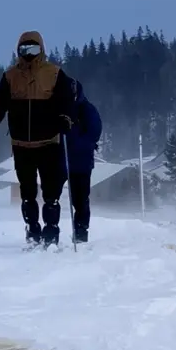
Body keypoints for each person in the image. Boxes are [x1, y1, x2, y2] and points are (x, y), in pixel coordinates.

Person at [0, 30, 76, 247]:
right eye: (24, 49)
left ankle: (51, 231)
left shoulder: (54, 73)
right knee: (27, 192)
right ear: (18, 50)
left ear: (41, 49)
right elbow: (0, 99)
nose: (29, 54)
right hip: (21, 144)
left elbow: (66, 100)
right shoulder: (10, 76)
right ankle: (32, 229)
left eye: (33, 49)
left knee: (51, 191)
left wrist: (66, 118)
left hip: (49, 142)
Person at [64, 78, 103, 243]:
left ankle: (80, 232)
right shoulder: (59, 109)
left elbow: (94, 132)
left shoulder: (87, 109)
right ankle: (51, 232)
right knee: (53, 197)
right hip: (61, 160)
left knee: (80, 199)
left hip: (81, 162)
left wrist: (75, 144)